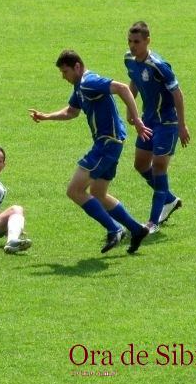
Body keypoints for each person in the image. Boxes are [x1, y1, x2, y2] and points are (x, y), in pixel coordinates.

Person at [29, 49, 152, 254]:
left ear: (77, 66)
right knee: (98, 193)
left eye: (65, 72)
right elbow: (71, 111)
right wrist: (46, 116)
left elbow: (122, 88)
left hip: (106, 143)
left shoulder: (89, 82)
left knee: (74, 190)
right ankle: (136, 229)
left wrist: (137, 119)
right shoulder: (80, 86)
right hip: (110, 143)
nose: (63, 77)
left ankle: (114, 229)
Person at [125, 21, 191, 233]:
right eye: (130, 41)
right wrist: (131, 109)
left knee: (160, 166)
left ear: (147, 41)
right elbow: (133, 82)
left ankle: (153, 222)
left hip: (167, 123)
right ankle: (169, 199)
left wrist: (182, 126)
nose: (133, 46)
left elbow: (178, 94)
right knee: (141, 165)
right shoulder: (129, 59)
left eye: (137, 41)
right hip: (148, 121)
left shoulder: (159, 66)